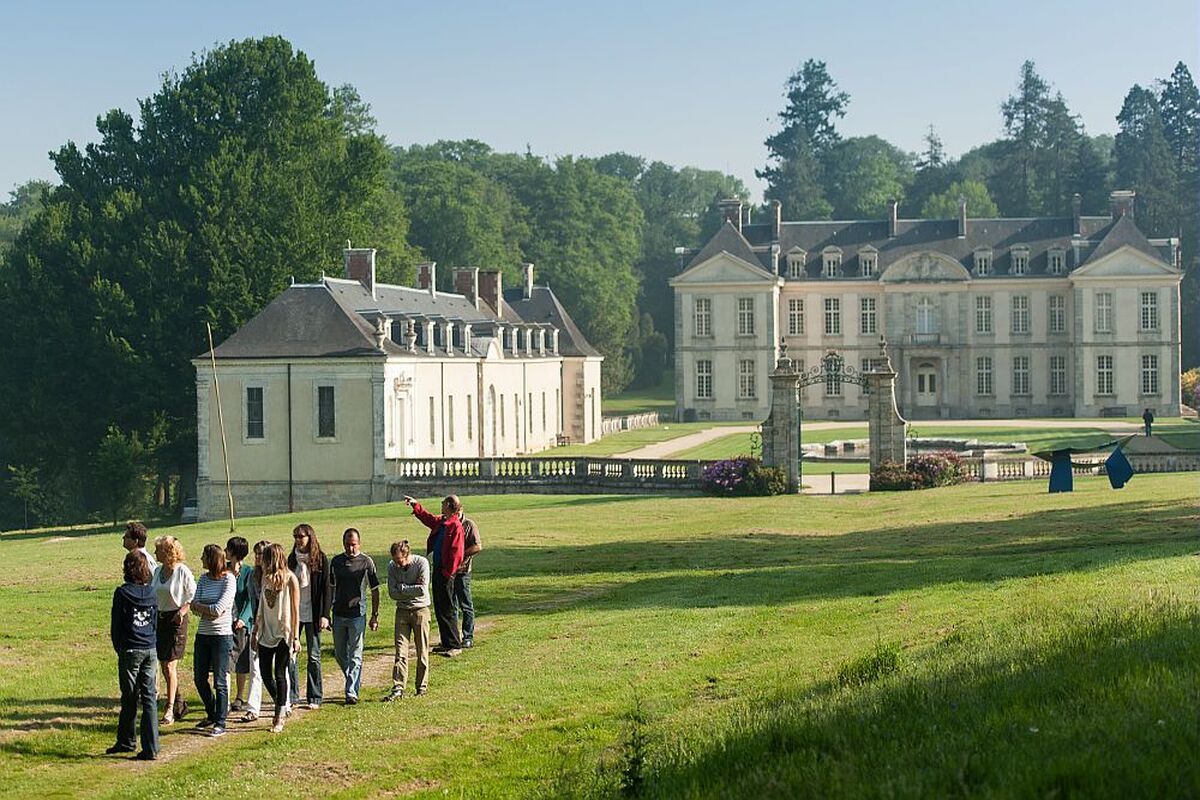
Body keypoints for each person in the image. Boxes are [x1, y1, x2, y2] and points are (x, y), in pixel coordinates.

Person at [107, 552, 159, 760]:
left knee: (129, 697)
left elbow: (116, 624)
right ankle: (152, 746)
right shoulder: (152, 592)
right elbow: (155, 621)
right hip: (150, 648)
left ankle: (127, 741)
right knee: (149, 697)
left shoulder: (122, 593)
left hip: (130, 648)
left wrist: (119, 647)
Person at [403, 495, 465, 657]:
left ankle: (454, 644)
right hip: (438, 570)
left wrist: (448, 573)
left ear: (449, 506)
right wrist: (416, 506)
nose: (441, 505)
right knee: (440, 607)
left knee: (447, 608)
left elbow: (457, 553)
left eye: (443, 503)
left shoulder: (455, 526)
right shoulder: (443, 522)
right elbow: (428, 519)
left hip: (446, 573)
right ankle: (446, 643)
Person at [252, 543, 301, 733]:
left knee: (280, 673)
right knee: (265, 673)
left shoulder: (290, 579)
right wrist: (256, 630)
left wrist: (295, 637)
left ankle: (279, 716)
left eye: (265, 557)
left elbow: (295, 611)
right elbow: (261, 606)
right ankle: (280, 701)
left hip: (283, 633)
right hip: (267, 631)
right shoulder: (265, 578)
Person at [329, 528, 380, 704]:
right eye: (347, 545)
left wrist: (374, 615)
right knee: (339, 654)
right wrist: (326, 612)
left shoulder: (366, 562)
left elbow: (375, 590)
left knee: (355, 654)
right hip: (338, 614)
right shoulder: (336, 562)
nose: (350, 548)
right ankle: (354, 678)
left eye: (353, 545)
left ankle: (351, 692)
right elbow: (331, 587)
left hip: (357, 615)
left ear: (359, 543)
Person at [190, 543, 237, 736]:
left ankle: (220, 721)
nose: (201, 559)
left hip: (221, 636)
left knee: (220, 680)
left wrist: (205, 608)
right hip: (203, 635)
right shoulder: (203, 578)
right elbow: (193, 605)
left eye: (204, 556)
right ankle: (212, 711)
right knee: (199, 678)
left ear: (212, 559)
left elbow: (218, 609)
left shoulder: (229, 579)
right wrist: (207, 609)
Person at [287, 523, 331, 710]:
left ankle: (314, 696)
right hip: (294, 613)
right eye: (296, 537)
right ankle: (292, 695)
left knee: (314, 655)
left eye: (301, 536)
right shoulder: (291, 560)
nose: (298, 540)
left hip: (313, 612)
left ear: (310, 537)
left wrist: (325, 615)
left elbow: (327, 588)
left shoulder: (320, 559)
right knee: (291, 654)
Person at [151, 535, 195, 725]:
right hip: (159, 620)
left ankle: (169, 709)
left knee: (170, 666)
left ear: (167, 552)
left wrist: (182, 612)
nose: (155, 552)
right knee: (163, 665)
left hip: (176, 620)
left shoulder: (182, 571)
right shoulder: (157, 571)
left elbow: (193, 595)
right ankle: (178, 702)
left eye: (158, 549)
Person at [384, 540, 431, 701]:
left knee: (422, 651)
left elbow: (422, 590)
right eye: (395, 560)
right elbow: (392, 593)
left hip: (420, 611)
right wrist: (409, 589)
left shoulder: (421, 563)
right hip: (402, 611)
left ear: (407, 555)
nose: (397, 564)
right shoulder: (392, 566)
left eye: (400, 560)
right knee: (400, 652)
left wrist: (402, 587)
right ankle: (398, 687)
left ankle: (421, 687)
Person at [226, 536, 262, 720]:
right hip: (225, 620)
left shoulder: (248, 572)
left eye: (228, 549)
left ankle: (239, 696)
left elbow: (250, 597)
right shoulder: (224, 569)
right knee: (226, 661)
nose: (226, 552)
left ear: (235, 552)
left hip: (242, 623)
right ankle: (224, 699)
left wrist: (243, 618)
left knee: (241, 660)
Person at [453, 509, 483, 649]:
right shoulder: (449, 524)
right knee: (451, 606)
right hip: (449, 572)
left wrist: (461, 556)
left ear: (460, 510)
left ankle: (468, 636)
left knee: (465, 605)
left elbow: (477, 546)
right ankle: (453, 637)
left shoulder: (469, 525)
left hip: (463, 571)